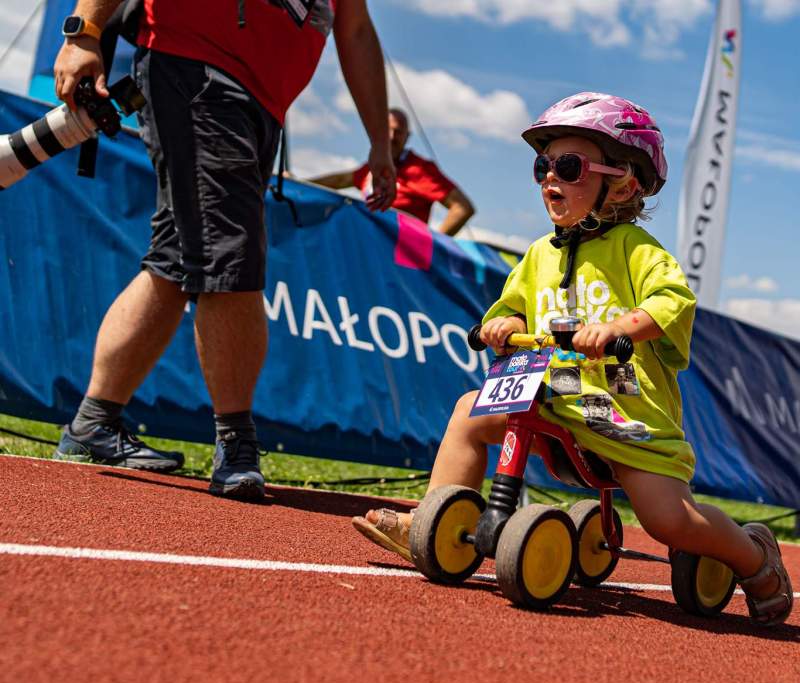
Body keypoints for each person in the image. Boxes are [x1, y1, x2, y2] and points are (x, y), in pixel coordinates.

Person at [352, 92, 794, 627]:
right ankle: (434, 514)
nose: (548, 178)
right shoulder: (540, 254)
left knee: (669, 522)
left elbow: (672, 302)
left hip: (625, 416)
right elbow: (512, 307)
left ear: (623, 183)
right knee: (471, 410)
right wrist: (504, 324)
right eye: (543, 166)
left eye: (568, 167)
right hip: (556, 397)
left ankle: (753, 556)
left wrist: (618, 327)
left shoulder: (636, 249)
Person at [51, 0, 396, 501]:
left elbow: (356, 30)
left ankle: (93, 423)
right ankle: (236, 444)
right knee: (230, 250)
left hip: (260, 99)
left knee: (176, 258)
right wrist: (84, 32)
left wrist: (380, 143)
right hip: (196, 65)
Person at [310, 108, 475, 236]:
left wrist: (432, 246)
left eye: (398, 131)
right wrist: (300, 184)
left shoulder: (419, 169)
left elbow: (462, 208)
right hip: (368, 246)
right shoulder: (375, 166)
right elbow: (341, 180)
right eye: (387, 130)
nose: (391, 136)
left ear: (407, 136)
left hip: (400, 257)